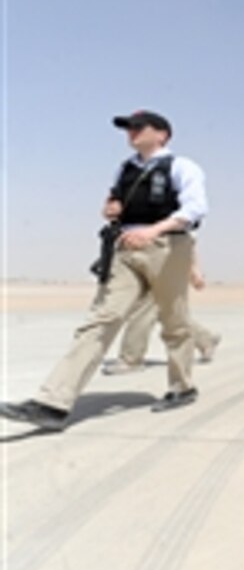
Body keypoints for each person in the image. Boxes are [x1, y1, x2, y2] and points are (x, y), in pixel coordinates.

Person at [0, 110, 208, 431]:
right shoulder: (124, 169)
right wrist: (111, 210)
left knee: (174, 321)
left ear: (162, 134)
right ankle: (52, 403)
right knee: (101, 319)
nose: (131, 133)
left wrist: (152, 232)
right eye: (128, 129)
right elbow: (113, 204)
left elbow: (194, 209)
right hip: (125, 248)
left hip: (167, 248)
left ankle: (182, 387)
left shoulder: (182, 166)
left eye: (139, 127)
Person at [102, 249, 221, 375]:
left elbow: (187, 241)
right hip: (146, 264)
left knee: (144, 311)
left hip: (163, 266)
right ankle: (206, 339)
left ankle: (131, 359)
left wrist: (193, 270)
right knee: (168, 313)